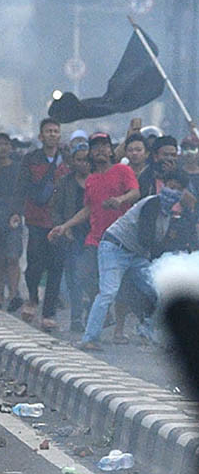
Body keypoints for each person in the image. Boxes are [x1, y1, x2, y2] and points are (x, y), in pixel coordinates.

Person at [77, 171, 190, 347]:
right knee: (108, 292)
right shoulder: (152, 204)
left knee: (158, 288)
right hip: (115, 248)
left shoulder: (168, 215)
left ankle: (147, 328)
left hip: (135, 255)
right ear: (163, 186)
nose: (172, 192)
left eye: (178, 189)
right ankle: (89, 338)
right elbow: (147, 238)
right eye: (170, 186)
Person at [48, 133, 140, 349]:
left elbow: (135, 193)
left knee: (121, 287)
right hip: (97, 237)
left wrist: (120, 200)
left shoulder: (122, 170)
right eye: (95, 147)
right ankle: (102, 317)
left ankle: (117, 328)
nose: (100, 150)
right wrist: (65, 226)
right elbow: (88, 208)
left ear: (111, 150)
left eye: (104, 146)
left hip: (121, 238)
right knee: (84, 274)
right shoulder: (91, 179)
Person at [12, 118, 69, 330]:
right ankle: (33, 297)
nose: (52, 134)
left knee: (56, 267)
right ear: (41, 136)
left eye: (56, 131)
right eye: (49, 131)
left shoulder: (68, 160)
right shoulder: (31, 159)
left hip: (60, 222)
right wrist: (15, 212)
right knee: (34, 265)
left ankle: (49, 312)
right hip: (36, 219)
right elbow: (21, 187)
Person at [52, 142, 92, 333]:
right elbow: (56, 209)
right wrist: (63, 227)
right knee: (74, 276)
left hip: (95, 234)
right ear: (73, 162)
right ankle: (76, 317)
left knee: (93, 277)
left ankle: (93, 317)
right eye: (79, 160)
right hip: (72, 235)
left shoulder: (98, 180)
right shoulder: (65, 182)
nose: (83, 164)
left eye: (86, 160)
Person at [0, 133, 24, 312]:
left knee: (12, 257)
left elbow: (22, 193)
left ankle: (14, 294)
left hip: (12, 217)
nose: (2, 147)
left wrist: (17, 212)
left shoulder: (18, 169)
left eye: (5, 144)